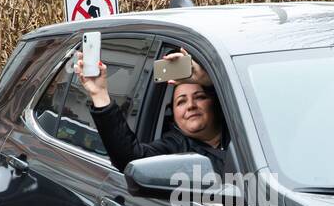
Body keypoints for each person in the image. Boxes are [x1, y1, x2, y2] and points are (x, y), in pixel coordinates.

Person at [75, 49, 230, 174]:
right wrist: (99, 94)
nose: (190, 105)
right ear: (173, 114)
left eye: (200, 97)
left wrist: (207, 79)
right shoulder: (174, 147)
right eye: (181, 101)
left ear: (214, 102)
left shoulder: (242, 129)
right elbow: (131, 159)